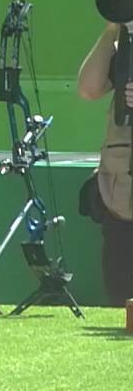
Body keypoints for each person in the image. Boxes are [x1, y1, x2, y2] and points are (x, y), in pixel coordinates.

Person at [75, 22, 133, 305]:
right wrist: (112, 29)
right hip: (120, 193)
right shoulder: (124, 47)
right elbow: (88, 89)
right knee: (120, 293)